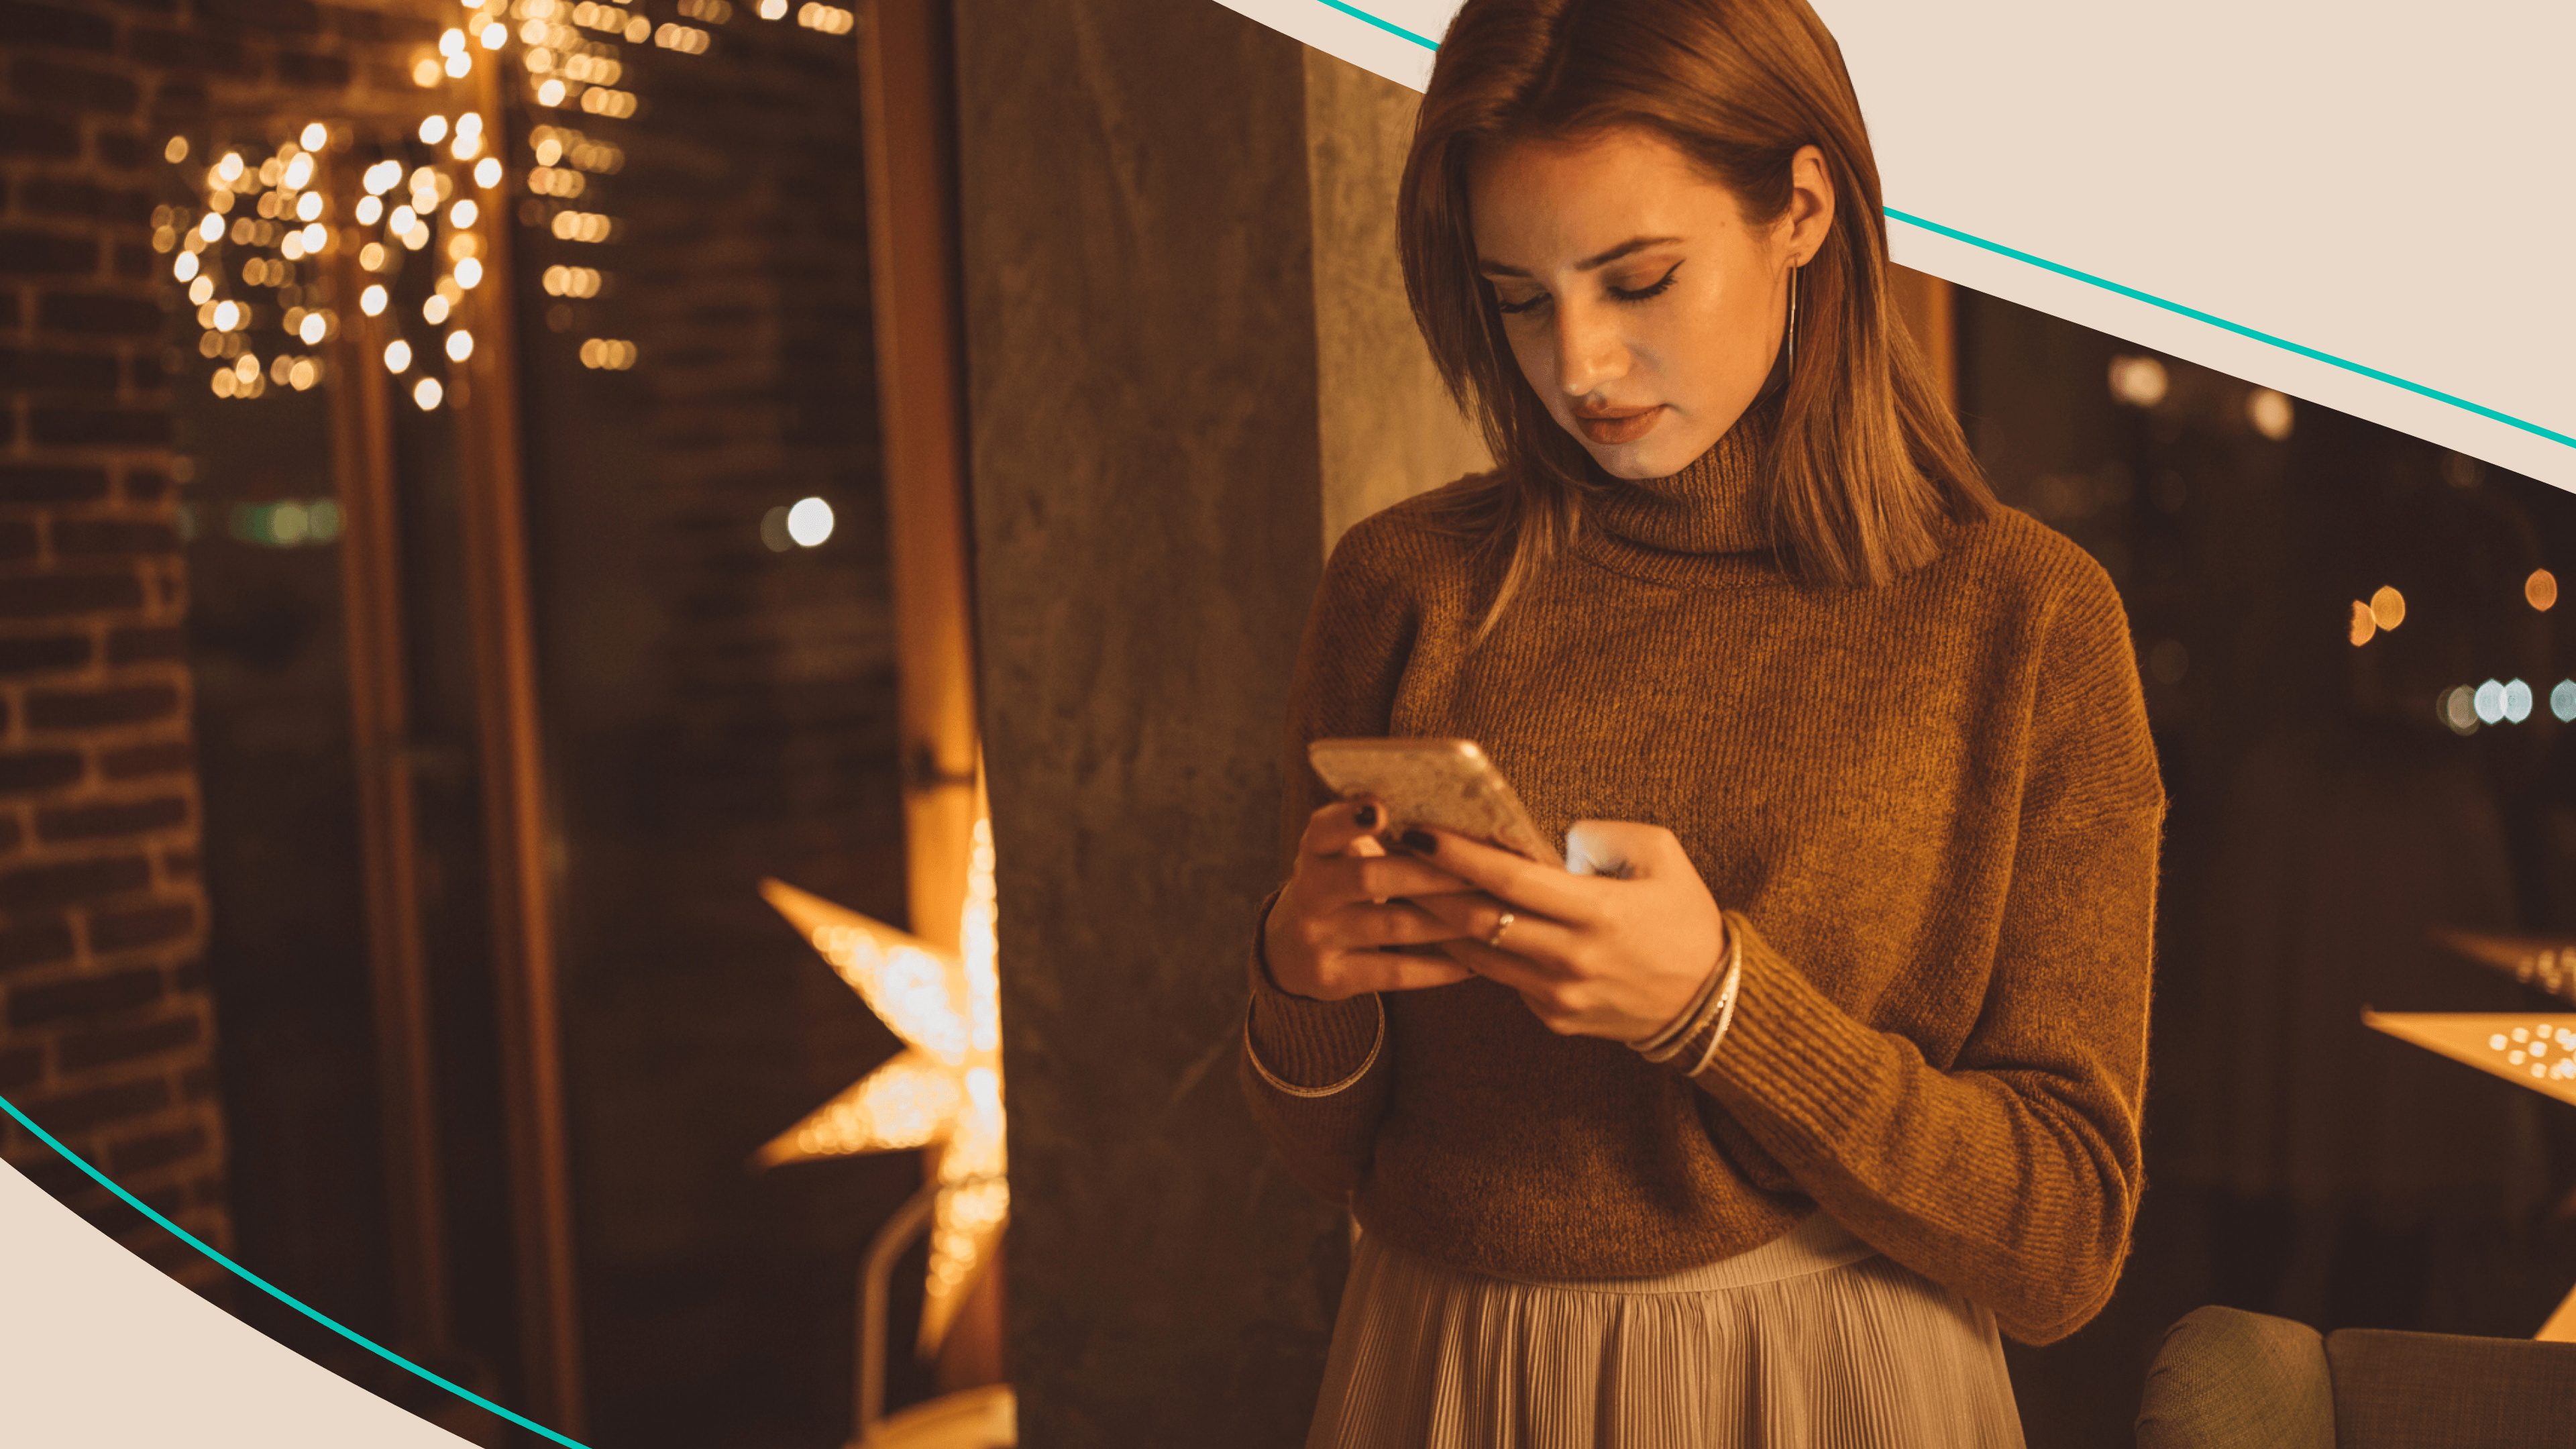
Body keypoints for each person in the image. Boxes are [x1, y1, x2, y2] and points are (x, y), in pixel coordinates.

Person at [1236, 0, 2164, 1444]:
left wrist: (1721, 1012)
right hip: (1441, 1369)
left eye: (1639, 278)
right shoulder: (1402, 587)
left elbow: (2061, 1246)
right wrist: (1305, 985)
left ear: (1801, 208)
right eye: (1520, 297)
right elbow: (1334, 1157)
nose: (1580, 366)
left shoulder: (2021, 621)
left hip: (1829, 1384)